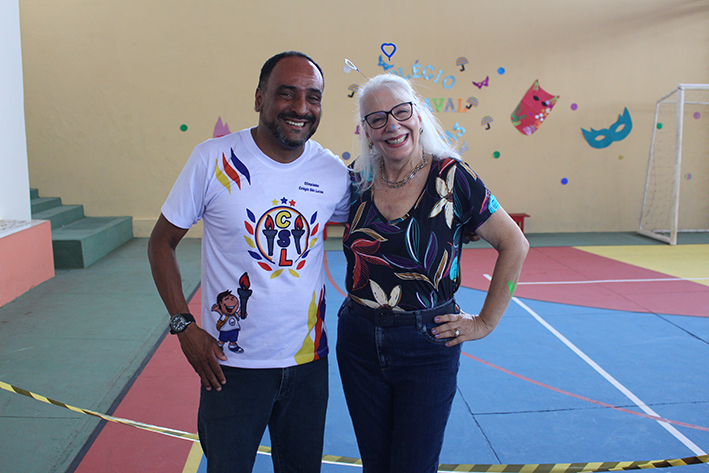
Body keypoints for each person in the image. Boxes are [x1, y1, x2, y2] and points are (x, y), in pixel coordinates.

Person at [148, 51, 350, 473]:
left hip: (307, 364)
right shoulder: (212, 159)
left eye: (313, 97)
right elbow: (161, 243)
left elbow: (384, 215)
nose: (301, 107)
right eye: (286, 94)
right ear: (259, 98)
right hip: (229, 367)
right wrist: (183, 325)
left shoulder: (332, 173)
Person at [336, 73, 529, 473]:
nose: (392, 125)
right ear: (367, 131)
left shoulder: (452, 177)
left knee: (414, 465)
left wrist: (485, 322)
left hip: (426, 344)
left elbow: (515, 243)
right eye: (377, 118)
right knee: (376, 464)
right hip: (358, 340)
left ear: (419, 116)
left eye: (401, 112)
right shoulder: (357, 181)